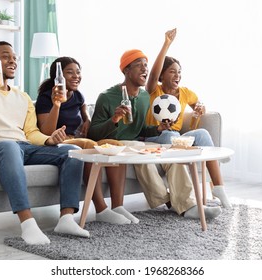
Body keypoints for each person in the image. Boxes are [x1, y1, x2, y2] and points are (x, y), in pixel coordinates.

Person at [0, 41, 90, 245]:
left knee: (72, 150)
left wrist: (48, 139)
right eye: (5, 56)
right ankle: (27, 224)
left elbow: (31, 132)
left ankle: (66, 218)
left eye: (15, 57)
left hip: (24, 147)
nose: (12, 61)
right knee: (9, 146)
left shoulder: (22, 97)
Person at [87, 49, 222, 220]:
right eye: (139, 65)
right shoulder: (106, 97)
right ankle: (170, 201)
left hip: (137, 142)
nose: (145, 69)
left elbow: (142, 129)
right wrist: (114, 119)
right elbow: (93, 133)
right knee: (139, 149)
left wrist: (158, 128)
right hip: (116, 144)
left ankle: (189, 205)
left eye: (146, 65)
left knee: (171, 153)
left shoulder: (144, 96)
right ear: (126, 71)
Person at [35, 57, 138, 224]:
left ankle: (118, 206)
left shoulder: (78, 96)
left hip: (79, 140)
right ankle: (101, 209)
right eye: (70, 72)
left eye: (78, 72)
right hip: (58, 142)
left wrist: (88, 120)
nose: (76, 76)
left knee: (115, 145)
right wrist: (57, 105)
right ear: (58, 77)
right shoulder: (46, 98)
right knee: (90, 147)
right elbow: (46, 132)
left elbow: (86, 118)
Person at [143, 28, 231, 208]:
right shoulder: (154, 90)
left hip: (176, 139)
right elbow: (152, 75)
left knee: (203, 134)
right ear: (162, 75)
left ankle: (219, 188)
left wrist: (200, 109)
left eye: (179, 72)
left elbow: (198, 105)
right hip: (155, 138)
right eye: (172, 72)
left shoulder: (185, 93)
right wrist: (166, 44)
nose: (178, 76)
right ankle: (186, 198)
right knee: (169, 136)